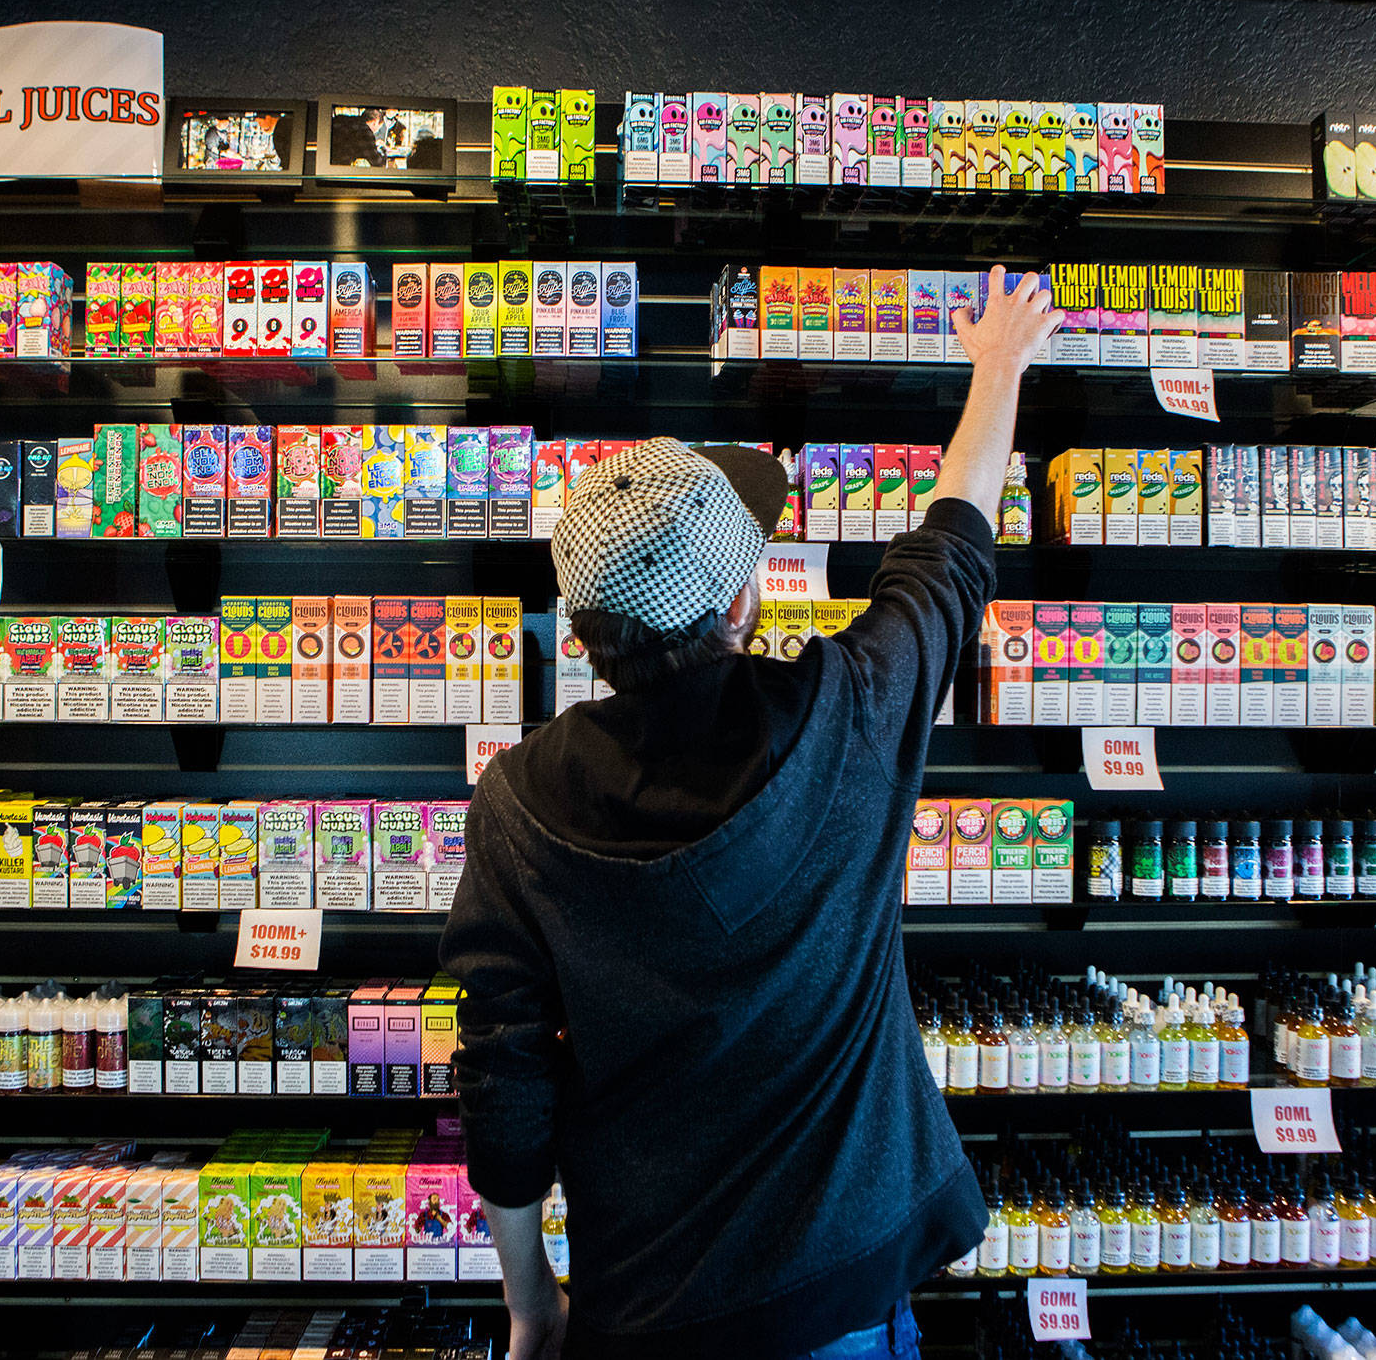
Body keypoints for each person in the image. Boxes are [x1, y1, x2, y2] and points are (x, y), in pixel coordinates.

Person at [441, 266, 1065, 1360]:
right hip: (839, 1290)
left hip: (643, 1302)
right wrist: (997, 363)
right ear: (744, 599)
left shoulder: (514, 803)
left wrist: (533, 1301)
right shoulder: (848, 715)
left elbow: (503, 1077)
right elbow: (952, 548)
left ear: (581, 628)